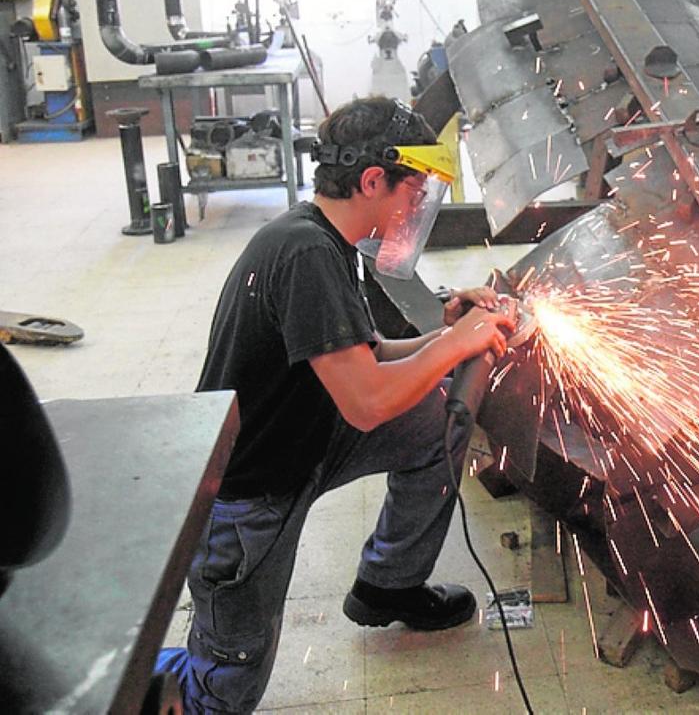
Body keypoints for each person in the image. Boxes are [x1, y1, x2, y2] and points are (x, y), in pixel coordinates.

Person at [156, 96, 516, 713]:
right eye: (415, 191)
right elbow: (367, 403)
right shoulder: (304, 255)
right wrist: (459, 344)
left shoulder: (326, 237)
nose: (415, 210)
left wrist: (447, 333)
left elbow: (366, 353)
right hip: (252, 494)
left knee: (433, 421)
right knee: (227, 687)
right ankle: (139, 681)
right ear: (373, 180)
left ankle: (389, 586)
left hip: (313, 439)